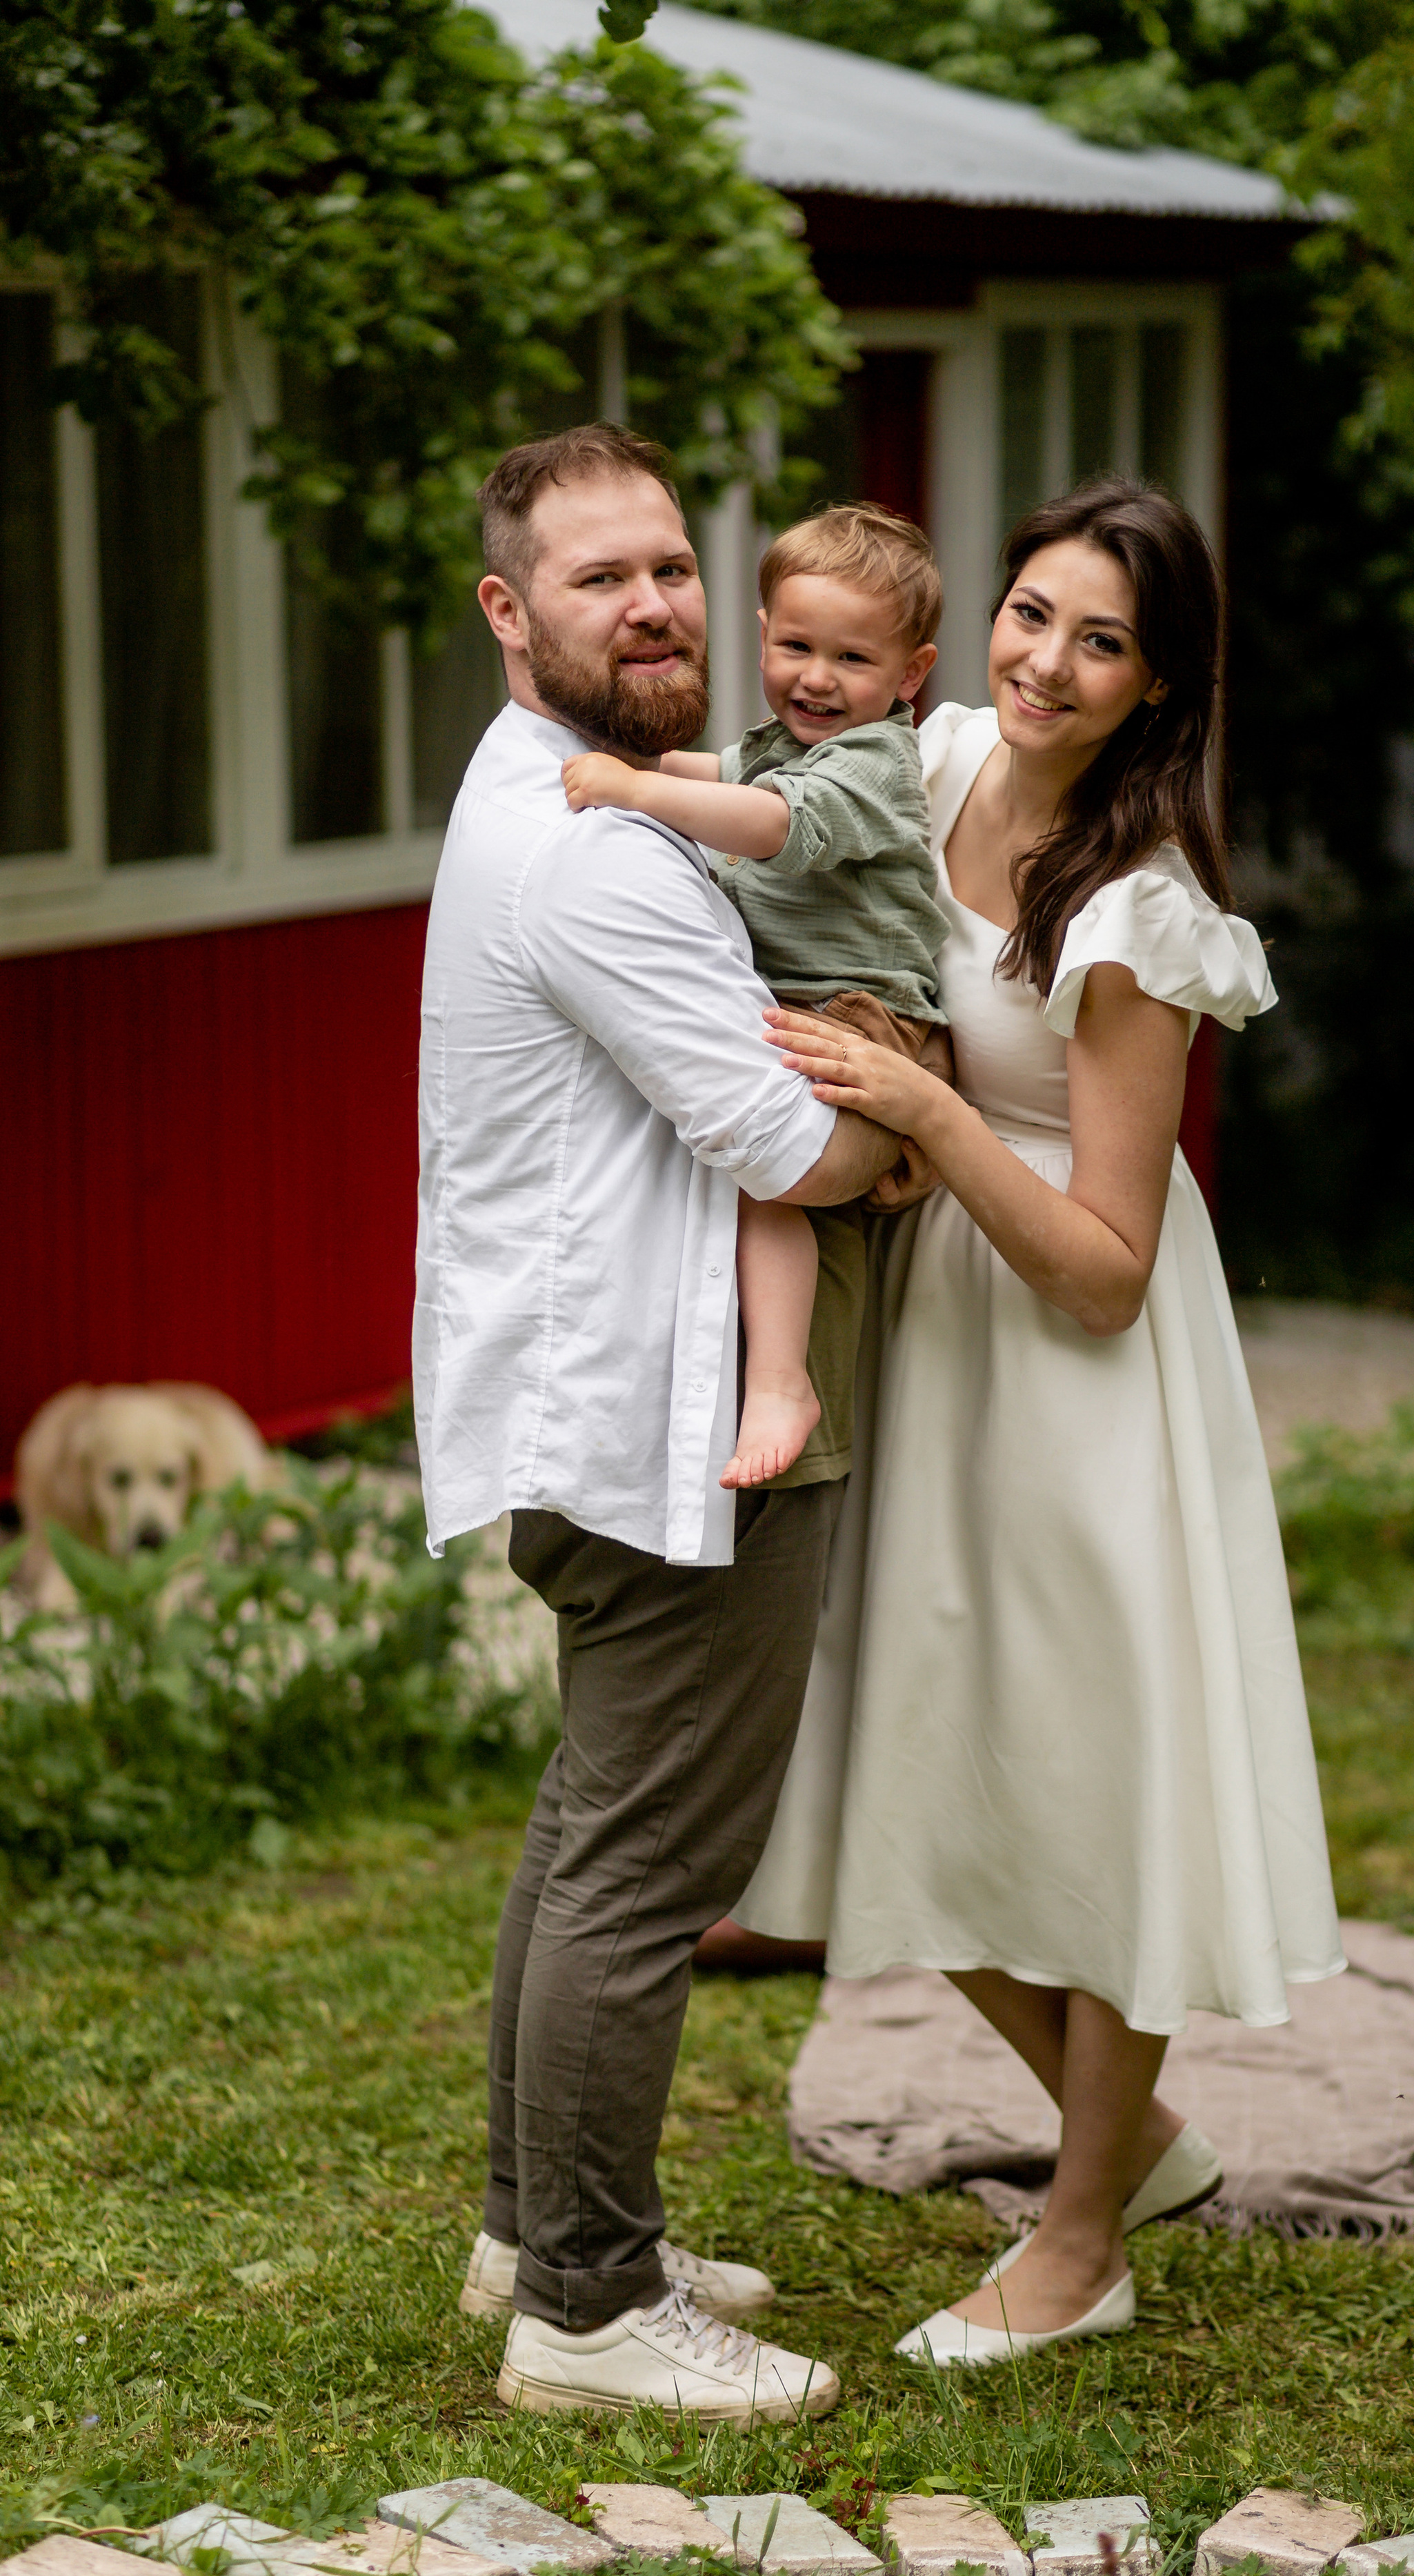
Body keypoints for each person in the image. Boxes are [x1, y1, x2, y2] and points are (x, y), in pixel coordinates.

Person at [744, 475, 1346, 2367]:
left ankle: (1081, 2246)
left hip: (1082, 1367)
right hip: (933, 1333)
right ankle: (1140, 2140)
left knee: (1098, 1786)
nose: (1046, 661)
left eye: (1102, 640)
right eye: (1028, 611)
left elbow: (1103, 1259)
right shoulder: (925, 765)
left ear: (1160, 690)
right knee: (909, 1765)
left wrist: (922, 1118)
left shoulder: (1139, 919)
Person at [412, 420, 903, 2421]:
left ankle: (542, 2231)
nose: (654, 605)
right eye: (600, 577)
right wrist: (914, 1117)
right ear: (508, 612)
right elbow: (789, 1148)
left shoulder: (570, 793)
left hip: (590, 1392)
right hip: (664, 1417)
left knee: (587, 1828)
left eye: (670, 568)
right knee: (642, 1860)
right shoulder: (597, 852)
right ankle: (595, 2318)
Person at [558, 505, 946, 1492]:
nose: (819, 678)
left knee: (760, 1161)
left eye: (854, 659)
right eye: (799, 645)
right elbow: (719, 770)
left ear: (909, 675)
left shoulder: (873, 765)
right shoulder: (787, 741)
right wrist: (640, 764)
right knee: (740, 1161)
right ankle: (770, 1374)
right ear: (765, 635)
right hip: (799, 998)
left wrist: (634, 794)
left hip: (861, 1010)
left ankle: (781, 1382)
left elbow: (772, 822)